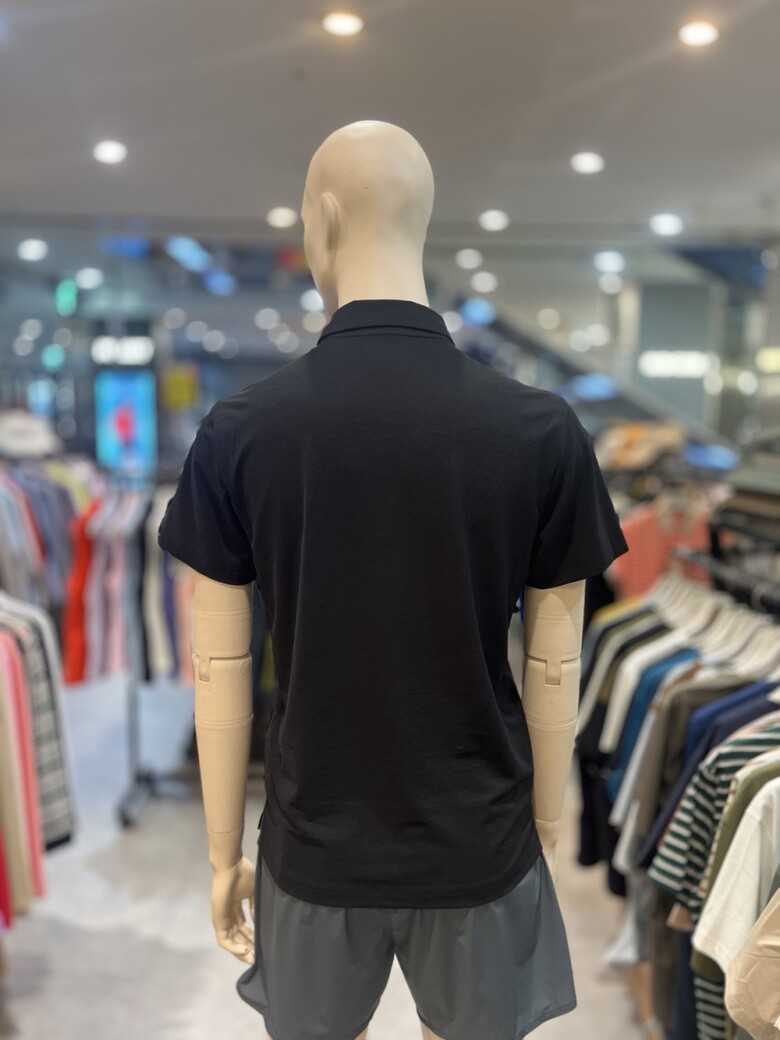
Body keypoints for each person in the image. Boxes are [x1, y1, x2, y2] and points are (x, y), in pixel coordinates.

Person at [158, 119, 628, 1040]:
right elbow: (554, 667)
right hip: (482, 840)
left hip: (313, 842)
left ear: (326, 220)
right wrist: (543, 822)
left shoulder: (243, 430)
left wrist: (221, 854)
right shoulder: (541, 430)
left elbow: (219, 669)